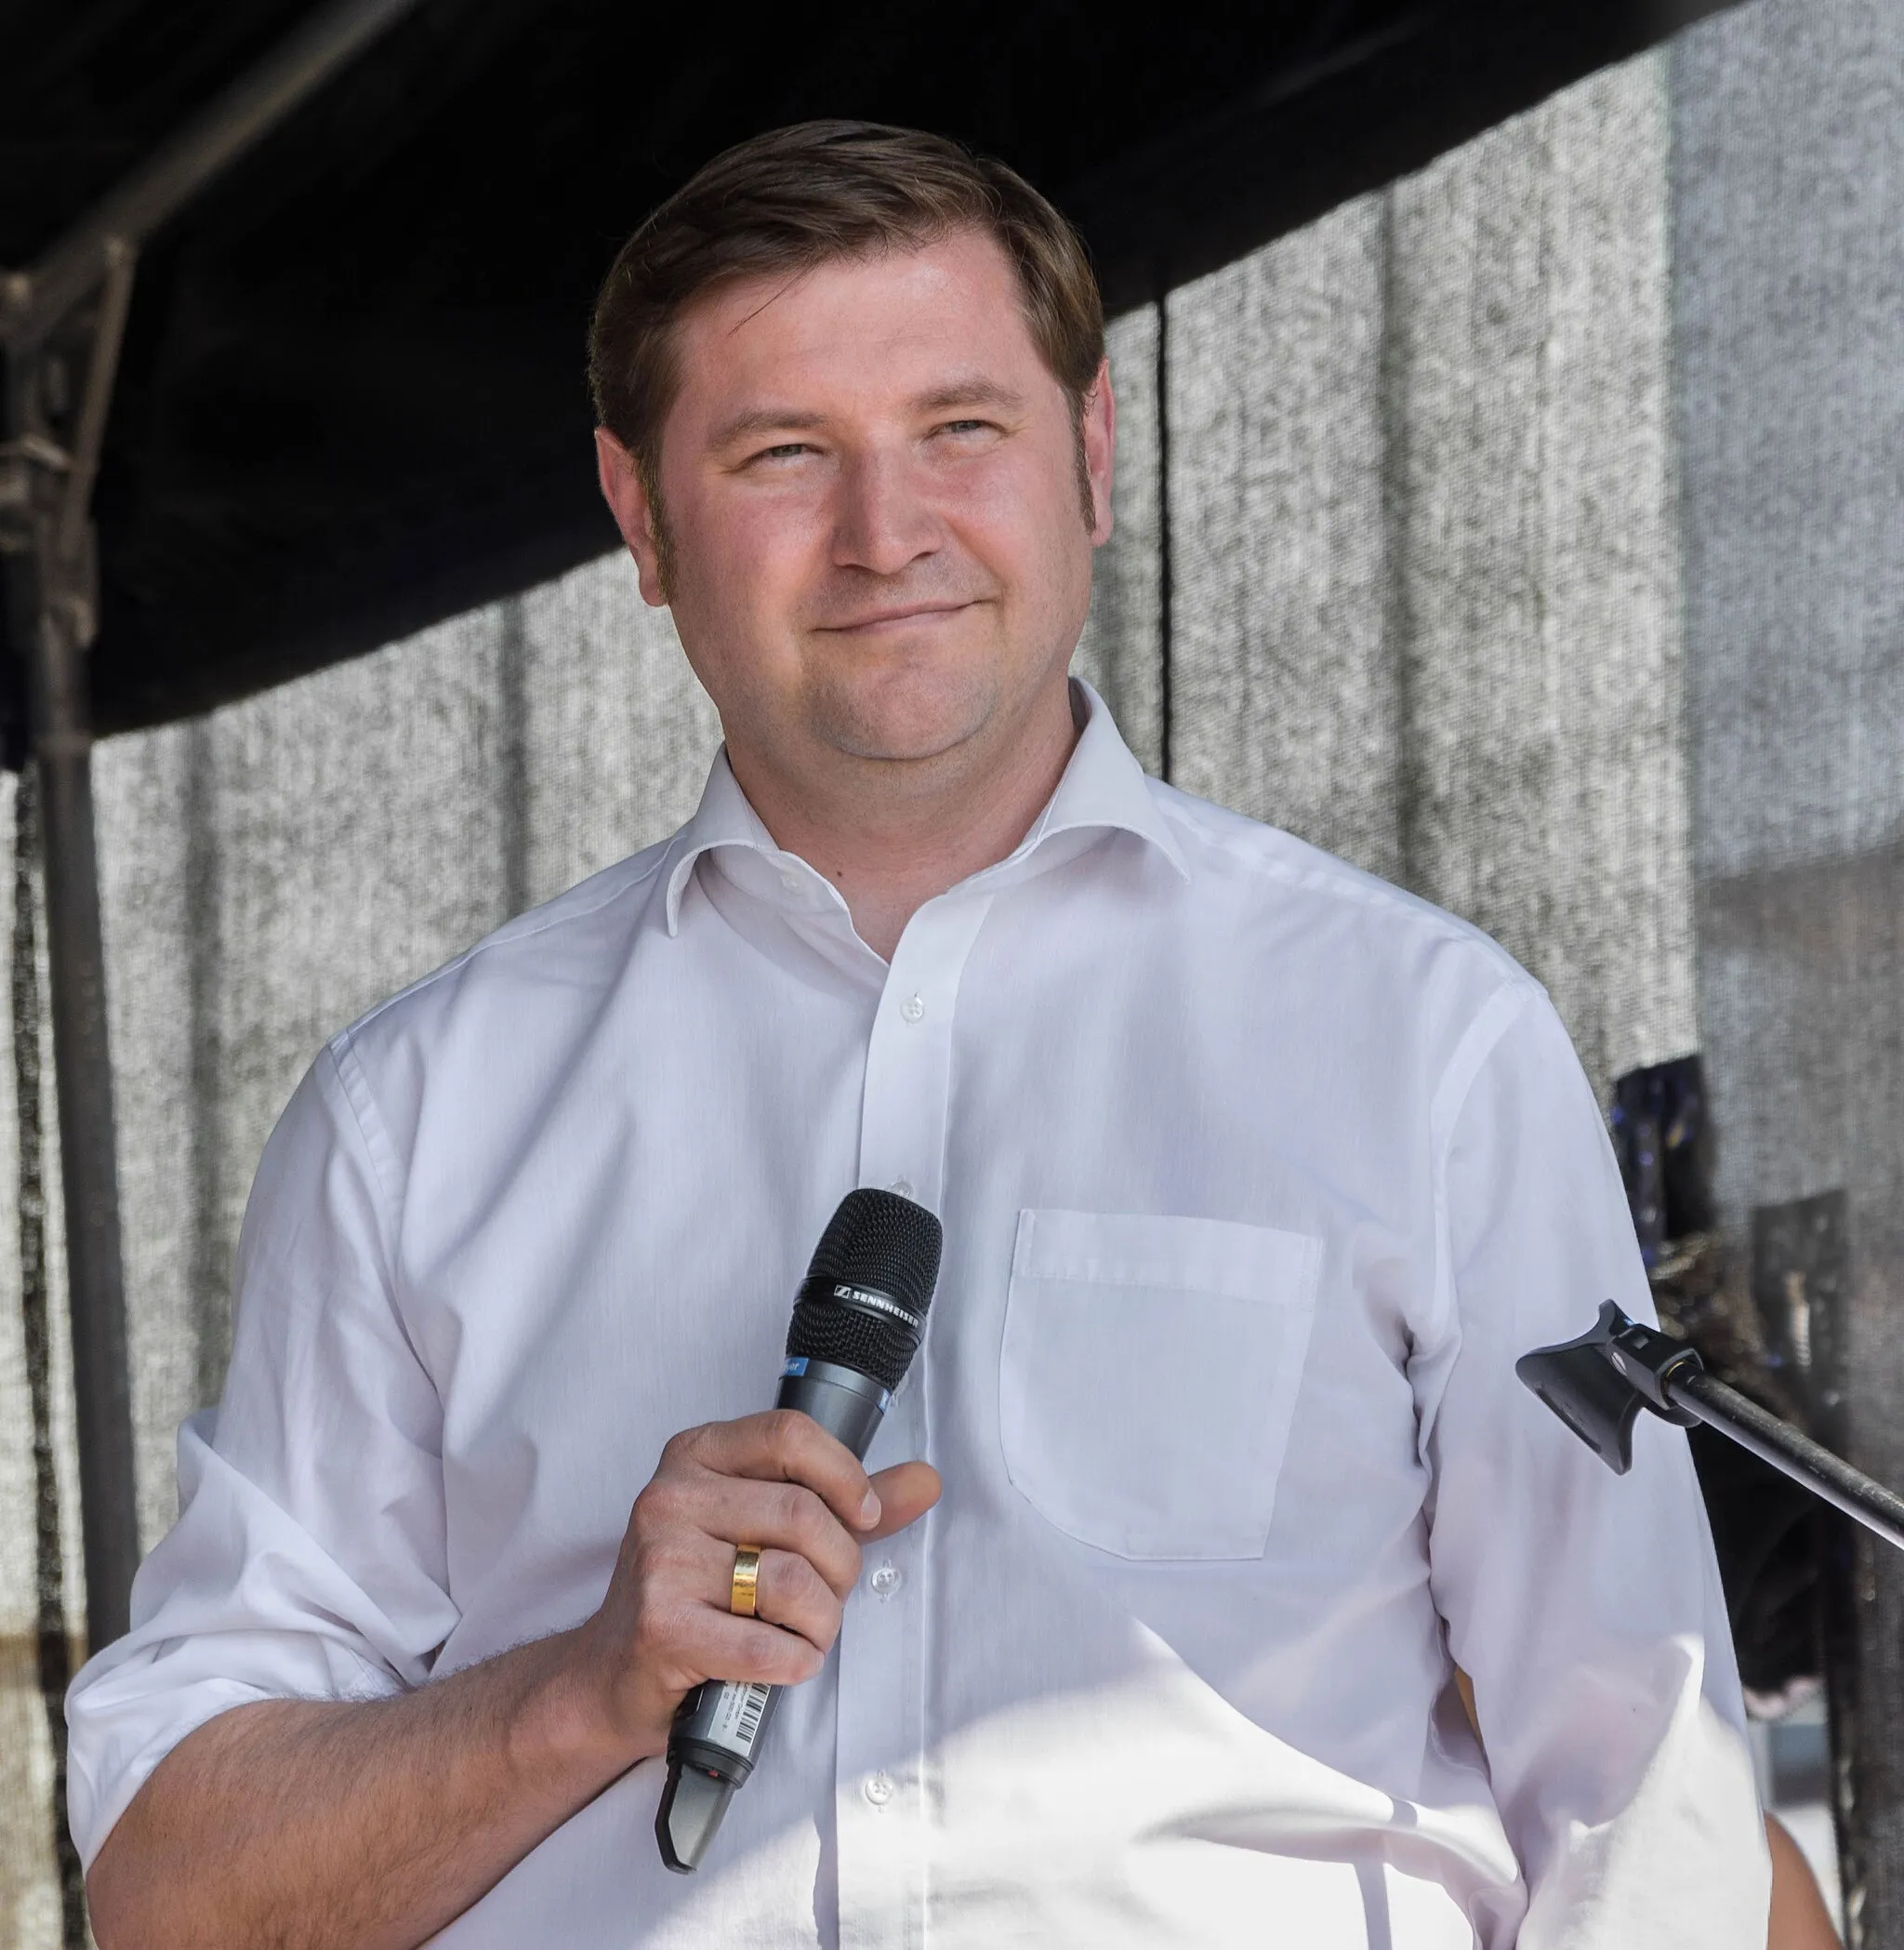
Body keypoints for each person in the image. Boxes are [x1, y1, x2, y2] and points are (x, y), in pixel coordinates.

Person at [68, 121, 1769, 1947]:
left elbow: (1645, 1811)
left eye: (961, 431)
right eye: (782, 454)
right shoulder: (418, 1113)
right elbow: (177, 1890)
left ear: (1092, 453)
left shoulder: (1422, 1042)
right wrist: (581, 1688)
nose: (888, 536)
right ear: (640, 519)